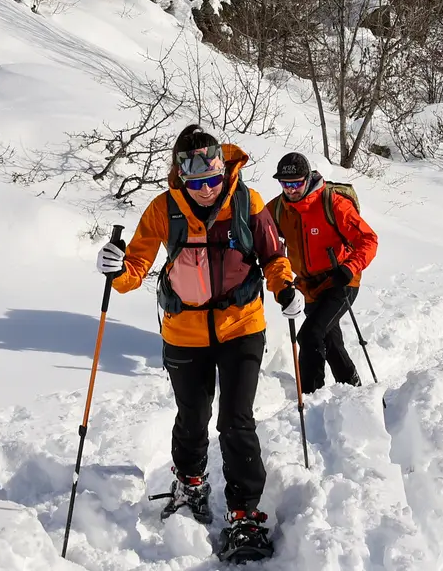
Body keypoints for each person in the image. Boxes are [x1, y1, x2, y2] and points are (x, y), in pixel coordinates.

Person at [94, 124, 295, 562]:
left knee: (236, 418)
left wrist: (285, 289)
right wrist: (114, 268)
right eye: (195, 181)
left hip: (242, 325)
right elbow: (135, 268)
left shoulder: (248, 202)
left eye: (212, 179)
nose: (206, 189)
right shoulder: (163, 209)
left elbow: (273, 255)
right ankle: (191, 483)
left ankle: (244, 512)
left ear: (223, 168)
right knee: (192, 414)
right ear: (179, 175)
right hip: (184, 330)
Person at [266, 152, 378, 394]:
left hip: (341, 281)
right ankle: (353, 390)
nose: (292, 190)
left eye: (297, 183)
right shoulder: (277, 209)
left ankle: (310, 395)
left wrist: (350, 268)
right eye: (286, 184)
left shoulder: (333, 203)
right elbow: (259, 234)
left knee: (309, 336)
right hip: (309, 287)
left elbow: (368, 240)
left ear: (308, 178)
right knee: (330, 341)